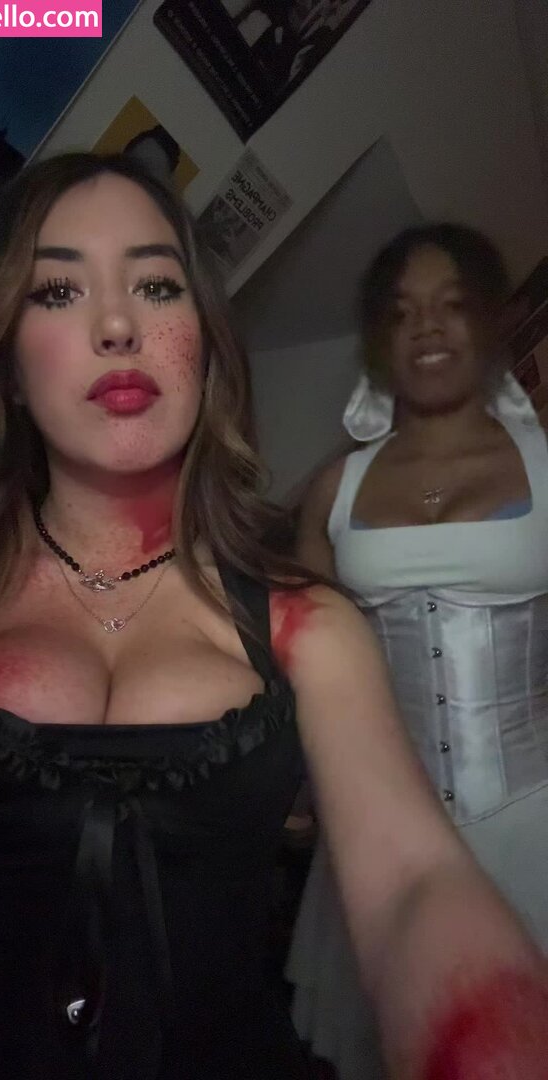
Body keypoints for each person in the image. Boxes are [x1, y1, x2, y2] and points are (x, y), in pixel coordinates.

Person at [0, 161, 547, 1080]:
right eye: (58, 291)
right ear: (7, 364)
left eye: (156, 285)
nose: (118, 325)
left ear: (205, 343)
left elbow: (414, 883)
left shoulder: (309, 628)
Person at [287, 223, 548, 1078]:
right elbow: (308, 671)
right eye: (402, 313)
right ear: (379, 339)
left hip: (533, 818)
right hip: (382, 833)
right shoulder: (335, 489)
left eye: (451, 305)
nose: (427, 327)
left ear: (490, 321)